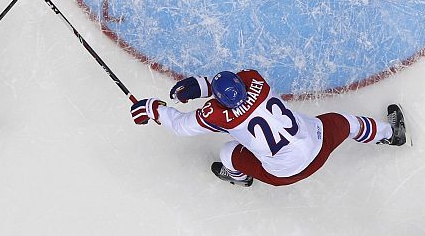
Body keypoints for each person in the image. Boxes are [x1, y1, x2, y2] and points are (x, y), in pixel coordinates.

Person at [130, 69, 406, 187]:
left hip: (285, 174)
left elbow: (180, 126)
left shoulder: (217, 115)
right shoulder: (255, 80)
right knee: (346, 122)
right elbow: (237, 80)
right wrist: (203, 85)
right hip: (317, 142)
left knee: (229, 151)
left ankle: (239, 178)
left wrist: (153, 108)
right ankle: (390, 134)